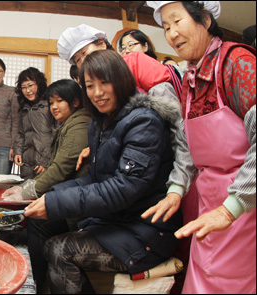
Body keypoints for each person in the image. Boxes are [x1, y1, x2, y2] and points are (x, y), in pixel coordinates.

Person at [25, 49, 183, 294]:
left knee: (60, 248)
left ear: (121, 79)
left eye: (104, 82)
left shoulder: (144, 121)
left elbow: (124, 189)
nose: (97, 93)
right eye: (89, 85)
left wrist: (56, 202)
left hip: (147, 232)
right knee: (43, 228)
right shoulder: (101, 122)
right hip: (119, 221)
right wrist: (49, 196)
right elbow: (96, 179)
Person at [145, 1, 256, 293]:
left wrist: (231, 209)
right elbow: (189, 145)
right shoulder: (190, 78)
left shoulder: (237, 62)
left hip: (246, 203)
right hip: (208, 205)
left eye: (176, 21)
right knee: (202, 278)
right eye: (165, 27)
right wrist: (175, 190)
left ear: (205, 19)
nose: (170, 34)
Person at [3, 79, 91, 292]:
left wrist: (28, 190)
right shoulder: (69, 123)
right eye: (51, 102)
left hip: (80, 200)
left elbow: (61, 168)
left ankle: (39, 284)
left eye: (60, 101)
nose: (54, 107)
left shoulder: (79, 124)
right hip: (68, 191)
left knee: (37, 222)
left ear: (76, 102)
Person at [12, 67, 53, 180]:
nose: (28, 91)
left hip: (45, 162)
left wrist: (46, 160)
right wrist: (18, 152)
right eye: (24, 87)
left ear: (39, 84)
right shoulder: (24, 108)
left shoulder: (49, 106)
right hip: (27, 163)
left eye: (30, 85)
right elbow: (21, 133)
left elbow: (57, 135)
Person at [118, 29, 184, 88]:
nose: (126, 51)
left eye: (131, 45)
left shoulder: (165, 66)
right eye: (123, 48)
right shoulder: (123, 76)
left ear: (145, 46)